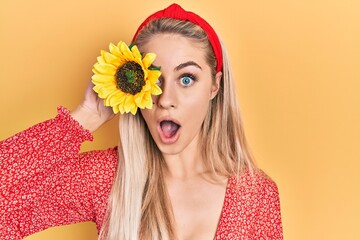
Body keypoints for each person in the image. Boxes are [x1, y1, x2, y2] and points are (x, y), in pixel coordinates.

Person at [0, 3, 283, 240]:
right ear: (135, 90)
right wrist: (87, 115)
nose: (166, 98)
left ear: (214, 86)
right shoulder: (108, 178)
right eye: (154, 80)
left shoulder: (255, 196)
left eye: (186, 79)